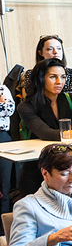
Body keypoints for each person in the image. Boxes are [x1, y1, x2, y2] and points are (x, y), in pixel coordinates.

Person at [16, 58, 72, 198]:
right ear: (41, 79)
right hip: (39, 169)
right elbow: (46, 133)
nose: (59, 82)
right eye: (53, 77)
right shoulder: (26, 106)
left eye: (62, 77)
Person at [18, 34, 72, 98]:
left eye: (59, 48)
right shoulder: (31, 74)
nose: (55, 52)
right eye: (50, 49)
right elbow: (33, 98)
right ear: (40, 53)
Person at [0, 82, 14, 212]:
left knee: (4, 185)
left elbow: (9, 109)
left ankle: (2, 227)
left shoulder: (2, 88)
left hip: (2, 138)